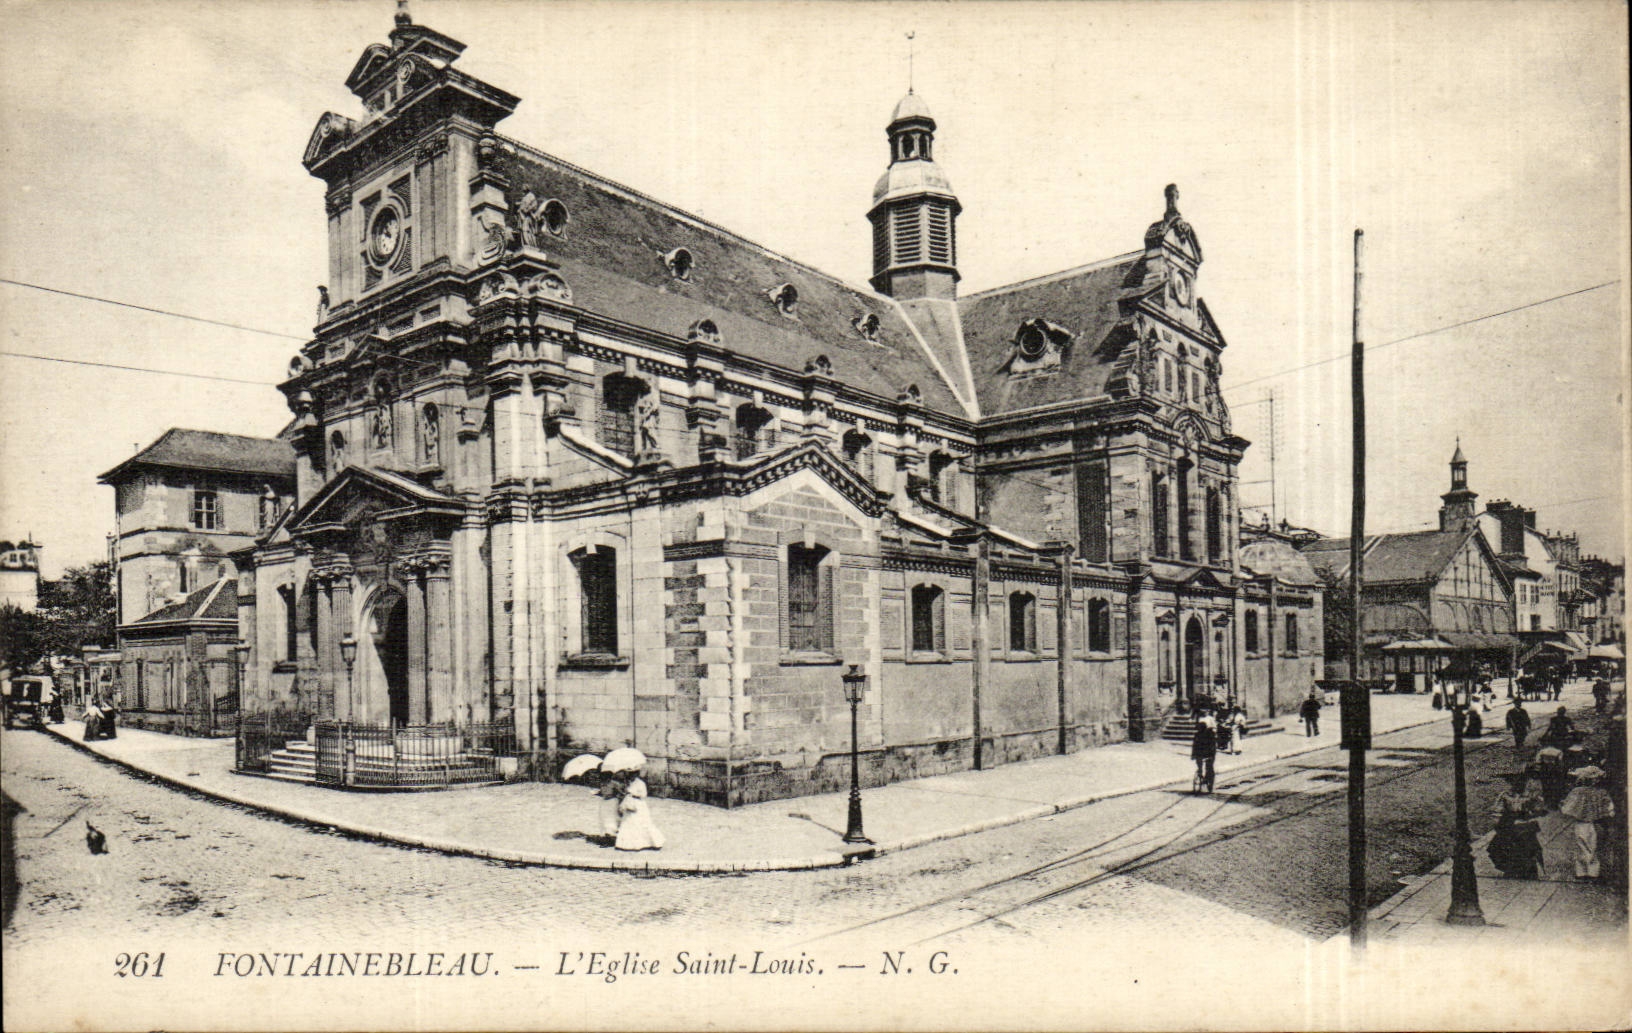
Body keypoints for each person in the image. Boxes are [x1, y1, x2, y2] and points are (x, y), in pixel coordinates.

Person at [1488, 771, 1547, 879]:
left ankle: (1526, 871)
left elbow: (1539, 809)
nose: (1516, 785)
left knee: (1526, 848)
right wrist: (1497, 821)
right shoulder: (1506, 795)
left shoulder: (1531, 796)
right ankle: (1510, 869)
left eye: (1520, 782)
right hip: (1507, 824)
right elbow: (1497, 809)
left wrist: (1531, 813)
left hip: (1524, 825)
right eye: (1513, 783)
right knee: (1499, 847)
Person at [1559, 767, 1614, 880]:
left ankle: (1582, 872)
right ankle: (1593, 872)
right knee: (1594, 846)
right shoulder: (1602, 792)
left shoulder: (1577, 791)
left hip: (1581, 823)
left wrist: (1563, 806)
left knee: (1581, 846)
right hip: (1597, 823)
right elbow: (1610, 809)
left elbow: (1566, 808)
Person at [614, 771, 665, 851]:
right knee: (628, 822)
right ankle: (627, 844)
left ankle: (653, 842)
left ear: (637, 774)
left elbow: (644, 794)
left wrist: (633, 793)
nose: (631, 776)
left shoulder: (641, 783)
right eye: (630, 774)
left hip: (638, 804)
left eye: (633, 774)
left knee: (642, 822)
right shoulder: (629, 782)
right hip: (629, 802)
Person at [1190, 707, 1218, 794]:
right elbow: (1195, 746)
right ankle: (1201, 773)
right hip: (1205, 753)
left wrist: (1193, 755)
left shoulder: (1207, 734)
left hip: (1207, 753)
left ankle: (1206, 775)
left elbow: (1195, 746)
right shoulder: (1200, 735)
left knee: (1208, 766)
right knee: (1204, 765)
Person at [596, 772, 625, 846]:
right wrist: (598, 793)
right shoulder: (602, 783)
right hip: (604, 802)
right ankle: (606, 836)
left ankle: (609, 838)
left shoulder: (614, 784)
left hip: (612, 802)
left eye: (606, 776)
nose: (604, 778)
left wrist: (619, 797)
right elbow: (602, 792)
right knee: (603, 819)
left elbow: (621, 793)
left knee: (611, 819)